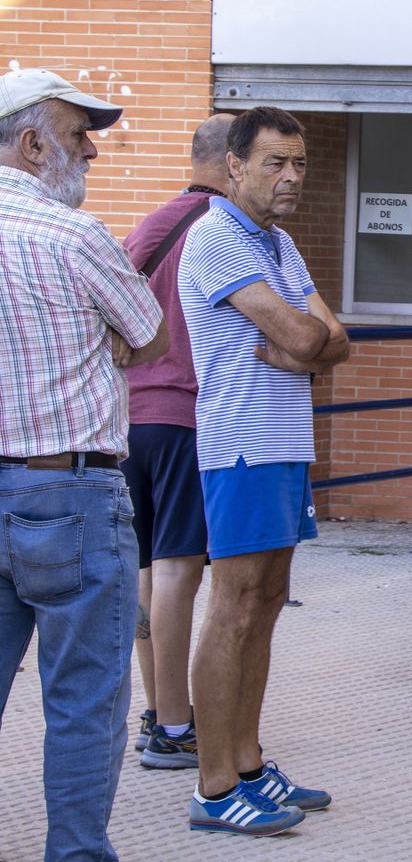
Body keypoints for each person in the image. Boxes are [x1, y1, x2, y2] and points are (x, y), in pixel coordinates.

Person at [0, 70, 168, 861]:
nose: (92, 148)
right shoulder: (73, 236)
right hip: (69, 487)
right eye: (76, 133)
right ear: (32, 144)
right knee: (86, 700)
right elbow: (152, 336)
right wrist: (93, 343)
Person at [178, 106, 349, 836]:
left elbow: (336, 343)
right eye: (275, 163)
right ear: (235, 166)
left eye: (300, 163)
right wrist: (304, 346)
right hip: (242, 446)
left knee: (267, 606)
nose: (291, 177)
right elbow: (307, 332)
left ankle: (249, 765)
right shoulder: (217, 236)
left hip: (283, 445)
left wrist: (306, 349)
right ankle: (215, 789)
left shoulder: (278, 245)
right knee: (234, 610)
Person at [123, 112, 233, 772]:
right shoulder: (224, 232)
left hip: (128, 418)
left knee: (144, 571)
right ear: (232, 163)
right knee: (178, 571)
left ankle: (158, 708)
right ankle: (171, 725)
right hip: (186, 418)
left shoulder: (152, 223)